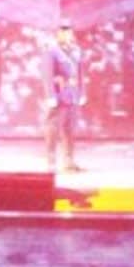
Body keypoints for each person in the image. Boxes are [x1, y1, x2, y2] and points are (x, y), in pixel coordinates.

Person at [44, 22, 85, 171]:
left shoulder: (76, 50)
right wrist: (50, 95)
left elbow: (80, 73)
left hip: (72, 95)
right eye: (63, 32)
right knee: (53, 129)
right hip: (59, 95)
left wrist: (82, 92)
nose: (66, 35)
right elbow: (47, 74)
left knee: (70, 129)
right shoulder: (52, 51)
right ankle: (51, 160)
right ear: (58, 34)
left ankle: (69, 160)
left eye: (69, 32)